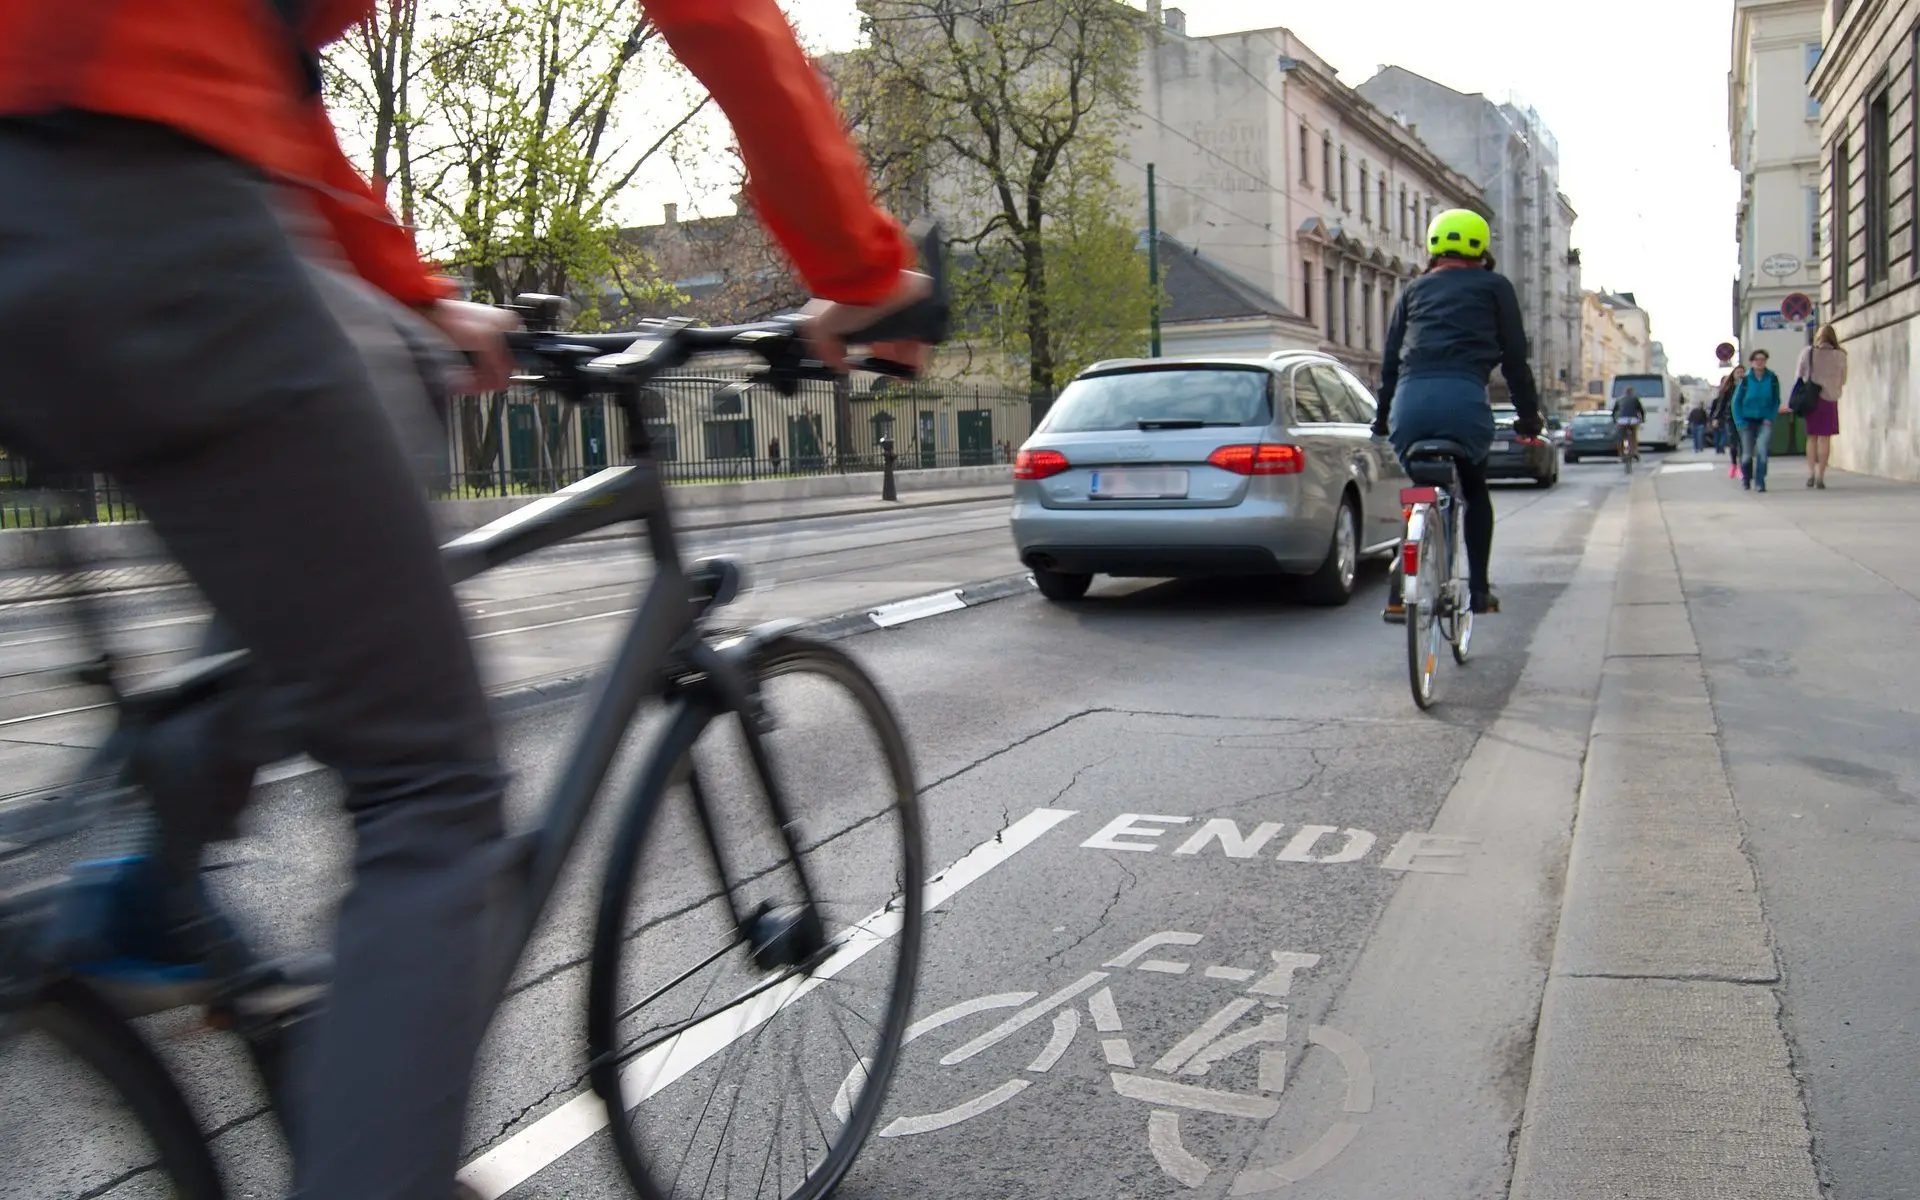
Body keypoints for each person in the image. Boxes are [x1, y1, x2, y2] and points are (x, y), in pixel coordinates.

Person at [0, 2, 934, 1198]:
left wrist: (418, 293)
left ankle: (157, 874)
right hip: (137, 194)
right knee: (432, 790)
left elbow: (260, 82)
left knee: (378, 400)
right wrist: (863, 275)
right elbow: (723, 19)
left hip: (66, 184)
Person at [1374, 208, 1542, 616]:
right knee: (1475, 488)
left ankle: (1403, 581)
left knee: (1418, 490)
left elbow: (1391, 361)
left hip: (1410, 406)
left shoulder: (1413, 291)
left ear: (1433, 247)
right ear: (1481, 247)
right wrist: (1529, 419)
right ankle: (1480, 592)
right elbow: (1516, 360)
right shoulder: (1495, 287)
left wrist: (1381, 420)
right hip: (1464, 401)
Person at [1795, 324, 1848, 489]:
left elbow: (1799, 374)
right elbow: (1844, 379)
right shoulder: (1840, 355)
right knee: (1825, 438)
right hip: (1830, 399)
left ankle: (1810, 473)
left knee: (1811, 437)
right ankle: (1821, 476)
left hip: (1812, 399)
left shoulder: (1808, 352)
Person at [1731, 349, 1784, 492]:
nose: (1760, 362)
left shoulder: (1772, 378)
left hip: (1764, 420)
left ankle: (1760, 481)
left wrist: (1770, 417)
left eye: (1762, 359)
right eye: (1757, 360)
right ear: (1752, 362)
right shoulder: (1746, 380)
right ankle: (1746, 479)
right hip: (1747, 421)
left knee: (1762, 449)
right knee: (1747, 453)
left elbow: (1776, 400)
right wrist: (1739, 422)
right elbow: (1736, 402)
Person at [1612, 386, 1646, 461]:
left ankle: (1621, 455)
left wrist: (1614, 420)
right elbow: (1641, 410)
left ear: (1624, 392)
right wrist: (1643, 419)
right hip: (1633, 420)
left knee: (1620, 438)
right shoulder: (1635, 399)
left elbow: (1614, 411)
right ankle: (1634, 452)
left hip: (1622, 421)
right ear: (1632, 392)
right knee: (1633, 437)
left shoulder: (1619, 399)